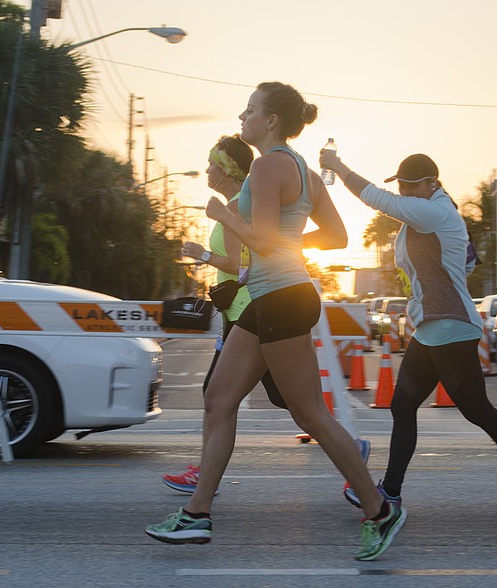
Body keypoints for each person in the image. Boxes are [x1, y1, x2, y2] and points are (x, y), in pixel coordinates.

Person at [145, 82, 406, 562]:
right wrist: (288, 244)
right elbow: (334, 234)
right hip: (272, 296)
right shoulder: (304, 170)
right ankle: (196, 516)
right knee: (218, 399)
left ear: (270, 121)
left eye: (249, 110)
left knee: (309, 413)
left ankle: (379, 509)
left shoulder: (266, 166)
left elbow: (261, 242)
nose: (242, 117)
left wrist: (225, 214)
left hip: (282, 298)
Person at [318, 150, 497, 523]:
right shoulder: (426, 214)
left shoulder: (435, 211)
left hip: (451, 326)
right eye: (400, 184)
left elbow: (376, 200)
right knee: (404, 406)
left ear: (432, 183)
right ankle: (392, 491)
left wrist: (338, 167)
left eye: (411, 184)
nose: (403, 190)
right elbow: (460, 261)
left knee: (475, 409)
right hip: (433, 326)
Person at [163, 134, 287, 495]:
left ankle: (204, 477)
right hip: (240, 313)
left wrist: (202, 254)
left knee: (219, 394)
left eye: (212, 163)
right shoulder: (236, 204)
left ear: (228, 169)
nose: (206, 169)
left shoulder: (234, 207)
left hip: (248, 313)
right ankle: (205, 474)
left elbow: (234, 263)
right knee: (279, 397)